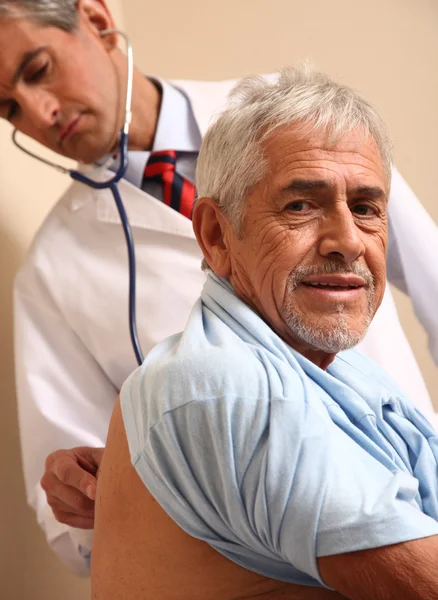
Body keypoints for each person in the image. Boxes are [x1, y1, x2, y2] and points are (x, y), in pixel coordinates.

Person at [0, 0, 436, 576]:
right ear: (214, 232)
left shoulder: (302, 120)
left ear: (98, 21)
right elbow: (71, 519)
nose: (40, 111)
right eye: (8, 106)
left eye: (38, 70)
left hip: (410, 500)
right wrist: (85, 489)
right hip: (261, 560)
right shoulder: (52, 270)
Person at [92, 67, 438, 600]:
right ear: (216, 235)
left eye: (366, 207)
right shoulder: (226, 387)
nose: (347, 240)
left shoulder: (342, 372)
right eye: (300, 205)